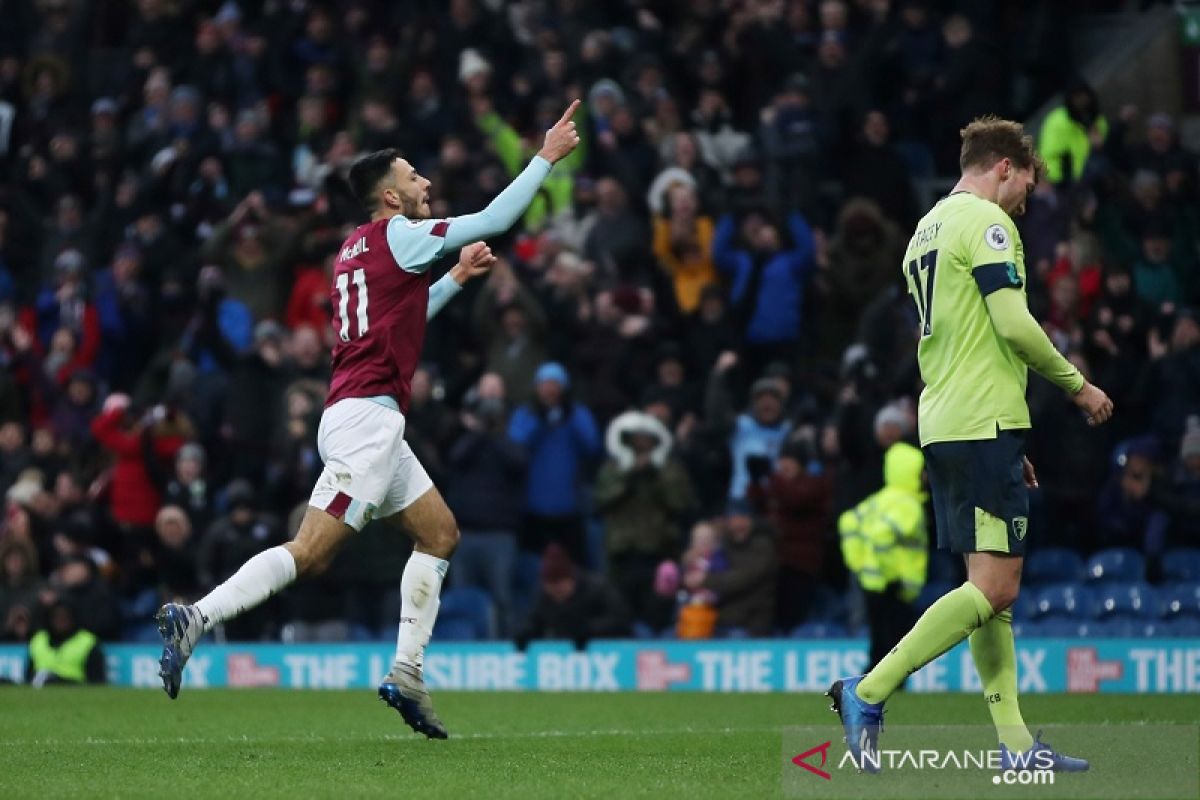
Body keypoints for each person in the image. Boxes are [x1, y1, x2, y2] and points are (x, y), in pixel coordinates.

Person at [155, 100, 583, 739]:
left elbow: (398, 322)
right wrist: (544, 158)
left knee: (439, 534)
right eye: (414, 178)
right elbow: (495, 217)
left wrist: (457, 279)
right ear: (389, 195)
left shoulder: (353, 251)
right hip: (368, 424)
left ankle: (407, 672)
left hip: (361, 414)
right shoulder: (400, 236)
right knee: (312, 553)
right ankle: (197, 617)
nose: (426, 185)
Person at [829, 116, 1113, 773]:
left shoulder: (922, 233)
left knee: (992, 589)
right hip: (980, 422)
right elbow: (1011, 324)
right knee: (995, 588)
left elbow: (964, 339)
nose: (1025, 203)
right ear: (1006, 167)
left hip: (953, 421)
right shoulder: (988, 225)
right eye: (1026, 188)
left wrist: (1010, 435)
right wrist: (1077, 386)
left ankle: (1015, 747)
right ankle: (867, 691)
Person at [838, 442, 927, 670]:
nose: (925, 476)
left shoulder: (878, 500)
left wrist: (859, 563)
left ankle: (871, 685)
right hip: (896, 585)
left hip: (871, 582)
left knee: (879, 640)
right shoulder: (909, 505)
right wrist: (888, 573)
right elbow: (882, 535)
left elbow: (848, 522)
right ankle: (883, 686)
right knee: (895, 643)